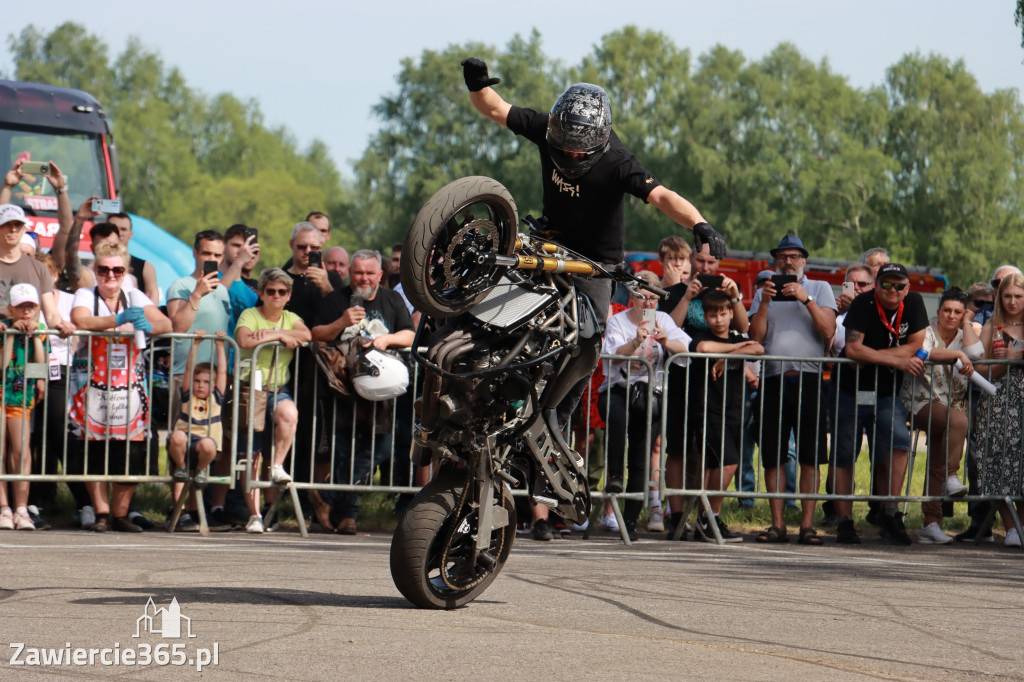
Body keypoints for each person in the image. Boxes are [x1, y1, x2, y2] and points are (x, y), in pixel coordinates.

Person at [462, 58, 724, 426]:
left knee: (588, 342)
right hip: (548, 242)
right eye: (563, 147)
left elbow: (663, 196)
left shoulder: (618, 161)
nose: (569, 155)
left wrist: (699, 222)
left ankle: (554, 422)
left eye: (577, 152)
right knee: (492, 296)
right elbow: (494, 107)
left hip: (595, 264)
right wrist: (476, 85)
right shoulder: (548, 127)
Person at [69, 242, 171, 532]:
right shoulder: (85, 294)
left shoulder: (134, 295)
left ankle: (121, 513)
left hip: (129, 388)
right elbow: (81, 319)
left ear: (125, 272)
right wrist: (118, 320)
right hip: (93, 386)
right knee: (94, 450)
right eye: (104, 269)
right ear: (95, 270)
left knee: (132, 451)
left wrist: (147, 325)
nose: (110, 276)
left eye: (117, 270)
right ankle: (101, 512)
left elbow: (165, 322)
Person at [311, 250, 413, 534]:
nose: (363, 278)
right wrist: (341, 323)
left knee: (381, 448)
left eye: (370, 273)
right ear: (349, 273)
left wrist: (386, 339)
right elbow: (316, 333)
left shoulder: (391, 299)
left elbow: (410, 334)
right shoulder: (337, 300)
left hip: (381, 391)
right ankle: (348, 516)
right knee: (344, 450)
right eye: (358, 272)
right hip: (344, 391)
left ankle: (330, 495)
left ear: (380, 275)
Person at [748, 235, 837, 545]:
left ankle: (808, 525)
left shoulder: (820, 288)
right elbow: (755, 338)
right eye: (782, 257)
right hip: (773, 378)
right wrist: (767, 302)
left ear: (804, 261)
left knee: (810, 456)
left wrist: (805, 299)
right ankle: (777, 524)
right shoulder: (764, 292)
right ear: (775, 262)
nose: (788, 262)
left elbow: (828, 331)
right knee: (772, 454)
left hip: (810, 379)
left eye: (794, 257)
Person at [830, 263, 927, 545]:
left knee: (898, 443)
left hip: (886, 391)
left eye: (899, 285)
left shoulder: (915, 302)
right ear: (877, 285)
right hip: (850, 387)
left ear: (907, 287)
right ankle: (844, 521)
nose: (893, 290)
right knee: (845, 453)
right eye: (886, 284)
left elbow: (916, 345)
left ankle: (891, 511)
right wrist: (896, 360)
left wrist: (875, 356)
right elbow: (852, 349)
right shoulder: (862, 303)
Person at [598, 270, 692, 541]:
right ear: (632, 297)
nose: (647, 303)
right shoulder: (618, 321)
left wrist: (665, 341)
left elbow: (686, 348)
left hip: (650, 394)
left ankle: (630, 519)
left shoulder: (662, 319)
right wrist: (636, 341)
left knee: (641, 453)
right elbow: (613, 356)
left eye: (653, 298)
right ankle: (615, 475)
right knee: (616, 417)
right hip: (618, 389)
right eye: (641, 297)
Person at [899, 288, 980, 544]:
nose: (951, 316)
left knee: (938, 459)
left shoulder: (966, 335)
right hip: (921, 402)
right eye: (947, 310)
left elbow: (977, 354)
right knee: (958, 421)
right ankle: (951, 476)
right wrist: (956, 355)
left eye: (958, 312)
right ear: (938, 311)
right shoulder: (927, 330)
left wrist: (968, 325)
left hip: (951, 406)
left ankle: (931, 523)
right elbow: (924, 352)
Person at [235, 268, 311, 534]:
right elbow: (243, 337)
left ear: (289, 295)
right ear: (261, 293)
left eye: (282, 292)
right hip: (251, 385)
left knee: (289, 414)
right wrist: (279, 335)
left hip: (278, 387)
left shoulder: (291, 317)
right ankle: (254, 515)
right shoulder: (250, 315)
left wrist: (273, 335)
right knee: (252, 454)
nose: (276, 296)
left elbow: (307, 335)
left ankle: (277, 464)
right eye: (271, 291)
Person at [687, 289, 764, 542]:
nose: (718, 319)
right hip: (709, 410)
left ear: (731, 313)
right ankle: (708, 516)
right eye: (713, 315)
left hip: (734, 410)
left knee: (718, 465)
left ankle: (709, 517)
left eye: (723, 314)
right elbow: (704, 347)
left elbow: (759, 348)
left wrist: (728, 355)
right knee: (728, 462)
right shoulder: (701, 335)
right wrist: (733, 350)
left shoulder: (734, 338)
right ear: (706, 317)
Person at [973, 273, 1024, 547]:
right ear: (999, 297)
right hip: (997, 403)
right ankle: (1011, 527)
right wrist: (1005, 363)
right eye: (1007, 296)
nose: (1013, 301)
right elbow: (979, 370)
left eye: (1018, 296)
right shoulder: (992, 326)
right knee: (997, 462)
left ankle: (1021, 525)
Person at [0, 283, 47, 530]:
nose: (26, 313)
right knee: (0, 448)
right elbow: (2, 365)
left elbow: (40, 366)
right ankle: (3, 508)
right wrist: (9, 335)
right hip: (0, 395)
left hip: (21, 398)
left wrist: (36, 338)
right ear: (11, 309)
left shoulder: (40, 331)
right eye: (21, 308)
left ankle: (21, 507)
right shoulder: (3, 329)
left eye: (30, 307)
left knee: (21, 451)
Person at [167, 332, 228, 509]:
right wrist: (195, 345)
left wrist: (219, 345)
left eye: (206, 382)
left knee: (208, 446)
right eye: (197, 381)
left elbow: (222, 372)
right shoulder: (188, 396)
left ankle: (194, 510)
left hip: (203, 447)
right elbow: (188, 369)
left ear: (214, 385)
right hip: (184, 444)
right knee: (178, 439)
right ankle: (179, 509)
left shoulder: (216, 398)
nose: (201, 385)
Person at [0, 204, 75, 337]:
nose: (13, 229)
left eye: (17, 224)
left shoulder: (39, 268)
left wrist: (61, 324)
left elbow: (51, 314)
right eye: (7, 224)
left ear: (24, 229)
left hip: (30, 349)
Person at [107, 212, 160, 303]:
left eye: (123, 229)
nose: (119, 233)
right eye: (114, 228)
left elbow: (153, 302)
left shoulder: (146, 267)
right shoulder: (95, 265)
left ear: (131, 234)